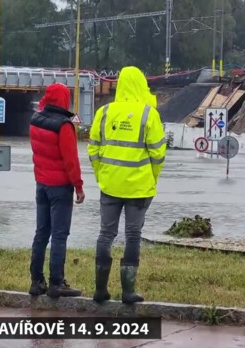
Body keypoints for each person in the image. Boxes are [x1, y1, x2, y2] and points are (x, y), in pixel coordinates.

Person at [87, 66, 166, 304]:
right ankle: (128, 292)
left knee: (105, 234)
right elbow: (158, 153)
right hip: (139, 188)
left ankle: (100, 291)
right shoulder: (148, 114)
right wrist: (152, 177)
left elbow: (93, 148)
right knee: (133, 236)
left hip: (109, 184)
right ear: (142, 84)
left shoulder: (104, 111)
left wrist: (102, 175)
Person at [28, 82, 85, 299]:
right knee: (60, 235)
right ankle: (57, 283)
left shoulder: (35, 121)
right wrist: (78, 186)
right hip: (60, 188)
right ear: (64, 99)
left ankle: (36, 281)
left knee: (41, 233)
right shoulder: (64, 125)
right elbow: (71, 160)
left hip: (41, 184)